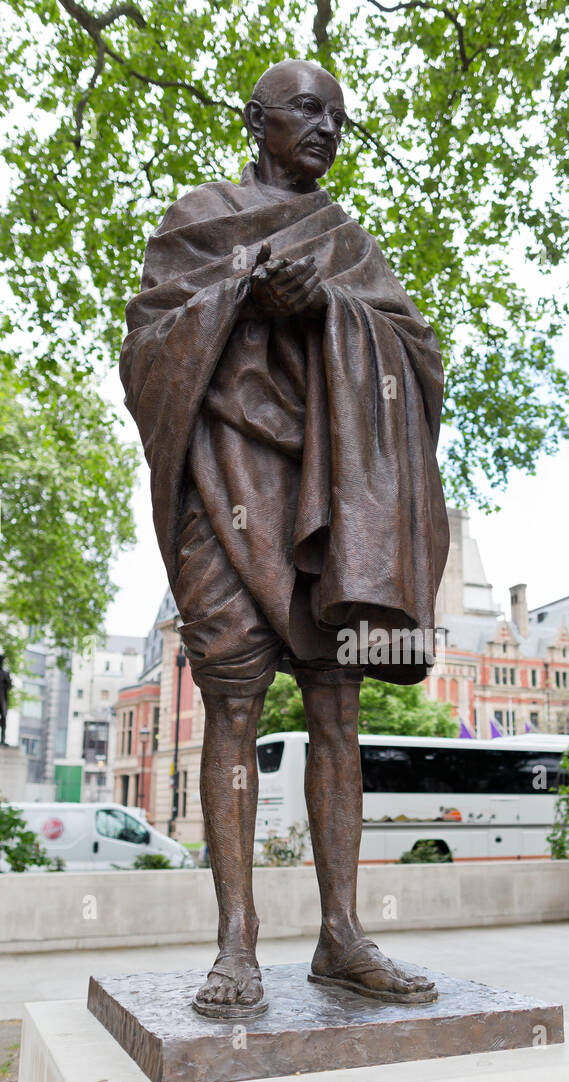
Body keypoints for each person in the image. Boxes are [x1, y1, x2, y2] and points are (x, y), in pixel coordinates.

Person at [120, 60, 449, 1017]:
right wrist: (240, 289)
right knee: (232, 706)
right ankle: (237, 946)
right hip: (225, 491)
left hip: (327, 499)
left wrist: (330, 309)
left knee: (337, 709)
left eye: (340, 118)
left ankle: (343, 936)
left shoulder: (347, 241)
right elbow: (146, 350)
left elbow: (417, 356)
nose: (328, 129)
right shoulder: (199, 218)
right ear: (255, 118)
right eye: (308, 110)